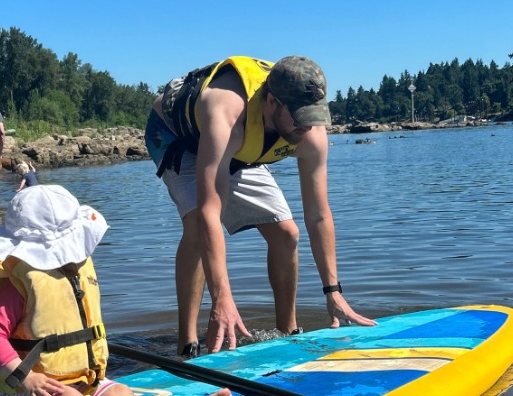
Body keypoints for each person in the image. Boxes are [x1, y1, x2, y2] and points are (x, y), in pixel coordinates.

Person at [0, 185, 233, 396]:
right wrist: (26, 378)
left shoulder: (75, 270)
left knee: (119, 393)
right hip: (27, 395)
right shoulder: (14, 284)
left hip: (85, 382)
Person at [145, 56, 375, 358]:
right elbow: (209, 215)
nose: (307, 126)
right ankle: (187, 346)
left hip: (242, 147)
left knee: (286, 234)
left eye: (313, 116)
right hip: (178, 136)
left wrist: (333, 292)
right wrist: (222, 298)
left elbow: (318, 215)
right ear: (271, 101)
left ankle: (287, 332)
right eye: (299, 116)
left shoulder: (309, 132)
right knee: (196, 226)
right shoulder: (225, 110)